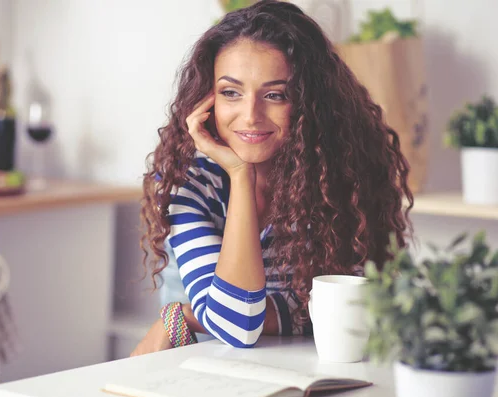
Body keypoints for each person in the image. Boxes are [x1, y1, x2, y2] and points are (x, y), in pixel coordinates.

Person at [131, 0, 413, 356]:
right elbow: (237, 326)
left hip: (296, 376)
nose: (250, 116)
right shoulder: (190, 187)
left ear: (310, 104)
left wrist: (186, 315)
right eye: (231, 92)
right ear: (207, 100)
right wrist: (239, 174)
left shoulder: (340, 183)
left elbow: (361, 307)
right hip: (191, 374)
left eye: (275, 95)